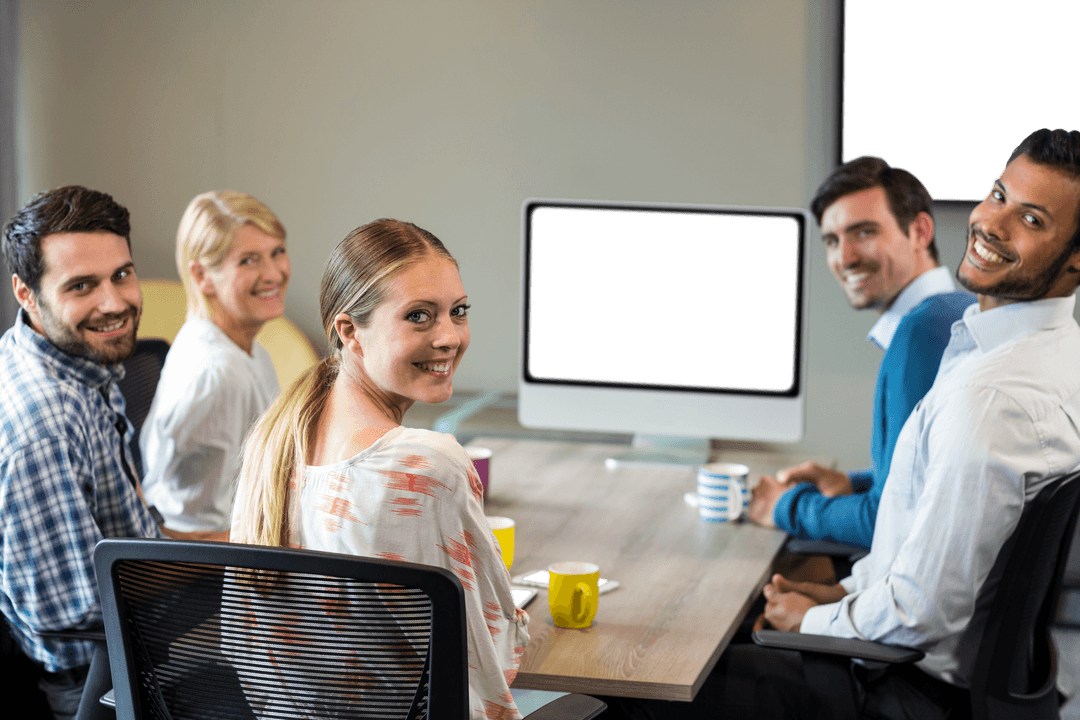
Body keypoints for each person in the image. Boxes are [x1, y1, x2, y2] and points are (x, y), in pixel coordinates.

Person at [604, 128, 1080, 720]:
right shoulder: (1041, 354)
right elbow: (931, 540)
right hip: (960, 678)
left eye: (1032, 220)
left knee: (642, 678)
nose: (992, 222)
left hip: (905, 692)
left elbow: (920, 610)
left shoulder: (987, 394)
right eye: (998, 194)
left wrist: (812, 612)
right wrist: (841, 594)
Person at [230, 219, 529, 719]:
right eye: (419, 316)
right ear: (349, 332)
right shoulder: (425, 466)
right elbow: (493, 655)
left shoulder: (273, 440)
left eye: (458, 312)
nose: (450, 337)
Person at [0, 186, 221, 720]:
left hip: (138, 623)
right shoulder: (41, 427)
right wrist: (234, 557)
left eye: (122, 274)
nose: (115, 302)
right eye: (82, 286)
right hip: (100, 679)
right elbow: (79, 611)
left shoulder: (75, 359)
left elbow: (129, 537)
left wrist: (230, 546)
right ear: (26, 294)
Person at [748, 156, 972, 548]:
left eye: (864, 232)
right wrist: (851, 482)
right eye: (833, 241)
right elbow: (927, 476)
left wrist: (786, 506)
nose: (845, 258)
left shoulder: (922, 332)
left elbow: (888, 521)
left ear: (920, 231)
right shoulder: (954, 310)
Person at [140, 191, 288, 532]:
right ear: (202, 276)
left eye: (277, 252)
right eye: (249, 260)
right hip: (210, 566)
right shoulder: (219, 373)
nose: (274, 273)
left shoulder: (243, 348)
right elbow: (194, 527)